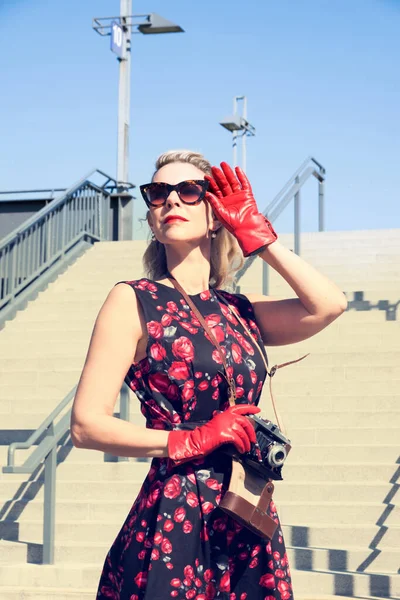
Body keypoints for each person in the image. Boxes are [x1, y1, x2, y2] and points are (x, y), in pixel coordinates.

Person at [70, 150, 347, 600]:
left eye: (188, 191)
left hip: (246, 507)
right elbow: (85, 424)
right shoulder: (132, 300)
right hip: (176, 511)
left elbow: (328, 305)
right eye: (158, 193)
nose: (170, 201)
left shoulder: (241, 310)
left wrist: (257, 233)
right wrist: (189, 440)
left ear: (216, 214)